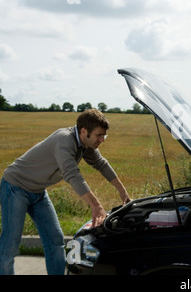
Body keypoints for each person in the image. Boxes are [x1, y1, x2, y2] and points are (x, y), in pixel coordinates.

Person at [0, 108, 131, 275]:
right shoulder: (64, 141)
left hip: (38, 191)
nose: (102, 140)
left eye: (104, 135)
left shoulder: (85, 144)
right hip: (15, 187)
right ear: (84, 131)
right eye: (99, 135)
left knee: (55, 241)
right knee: (9, 246)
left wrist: (123, 193)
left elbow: (101, 164)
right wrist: (96, 206)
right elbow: (72, 175)